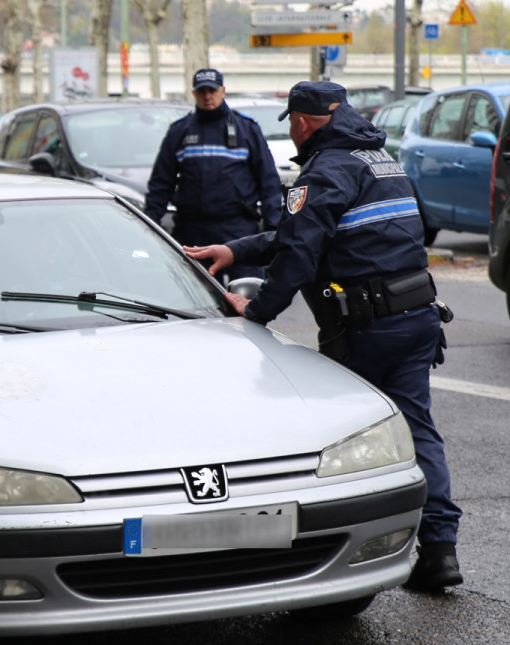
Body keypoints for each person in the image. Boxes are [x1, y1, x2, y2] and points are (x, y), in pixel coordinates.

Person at [185, 80, 462, 593]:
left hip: (367, 326)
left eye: (291, 122)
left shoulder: (325, 170)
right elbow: (314, 231)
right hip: (417, 314)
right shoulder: (380, 159)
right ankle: (440, 551)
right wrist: (235, 248)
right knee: (419, 431)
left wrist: (258, 308)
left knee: (337, 444)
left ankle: (329, 562)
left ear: (302, 122)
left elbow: (299, 253)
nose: (291, 132)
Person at [144, 67, 282, 281]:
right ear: (194, 94)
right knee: (195, 297)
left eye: (212, 90)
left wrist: (273, 227)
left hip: (238, 229)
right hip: (193, 230)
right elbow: (161, 183)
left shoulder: (246, 129)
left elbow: (268, 181)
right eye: (202, 92)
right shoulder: (180, 131)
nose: (207, 96)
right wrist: (149, 225)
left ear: (223, 91)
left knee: (249, 292)